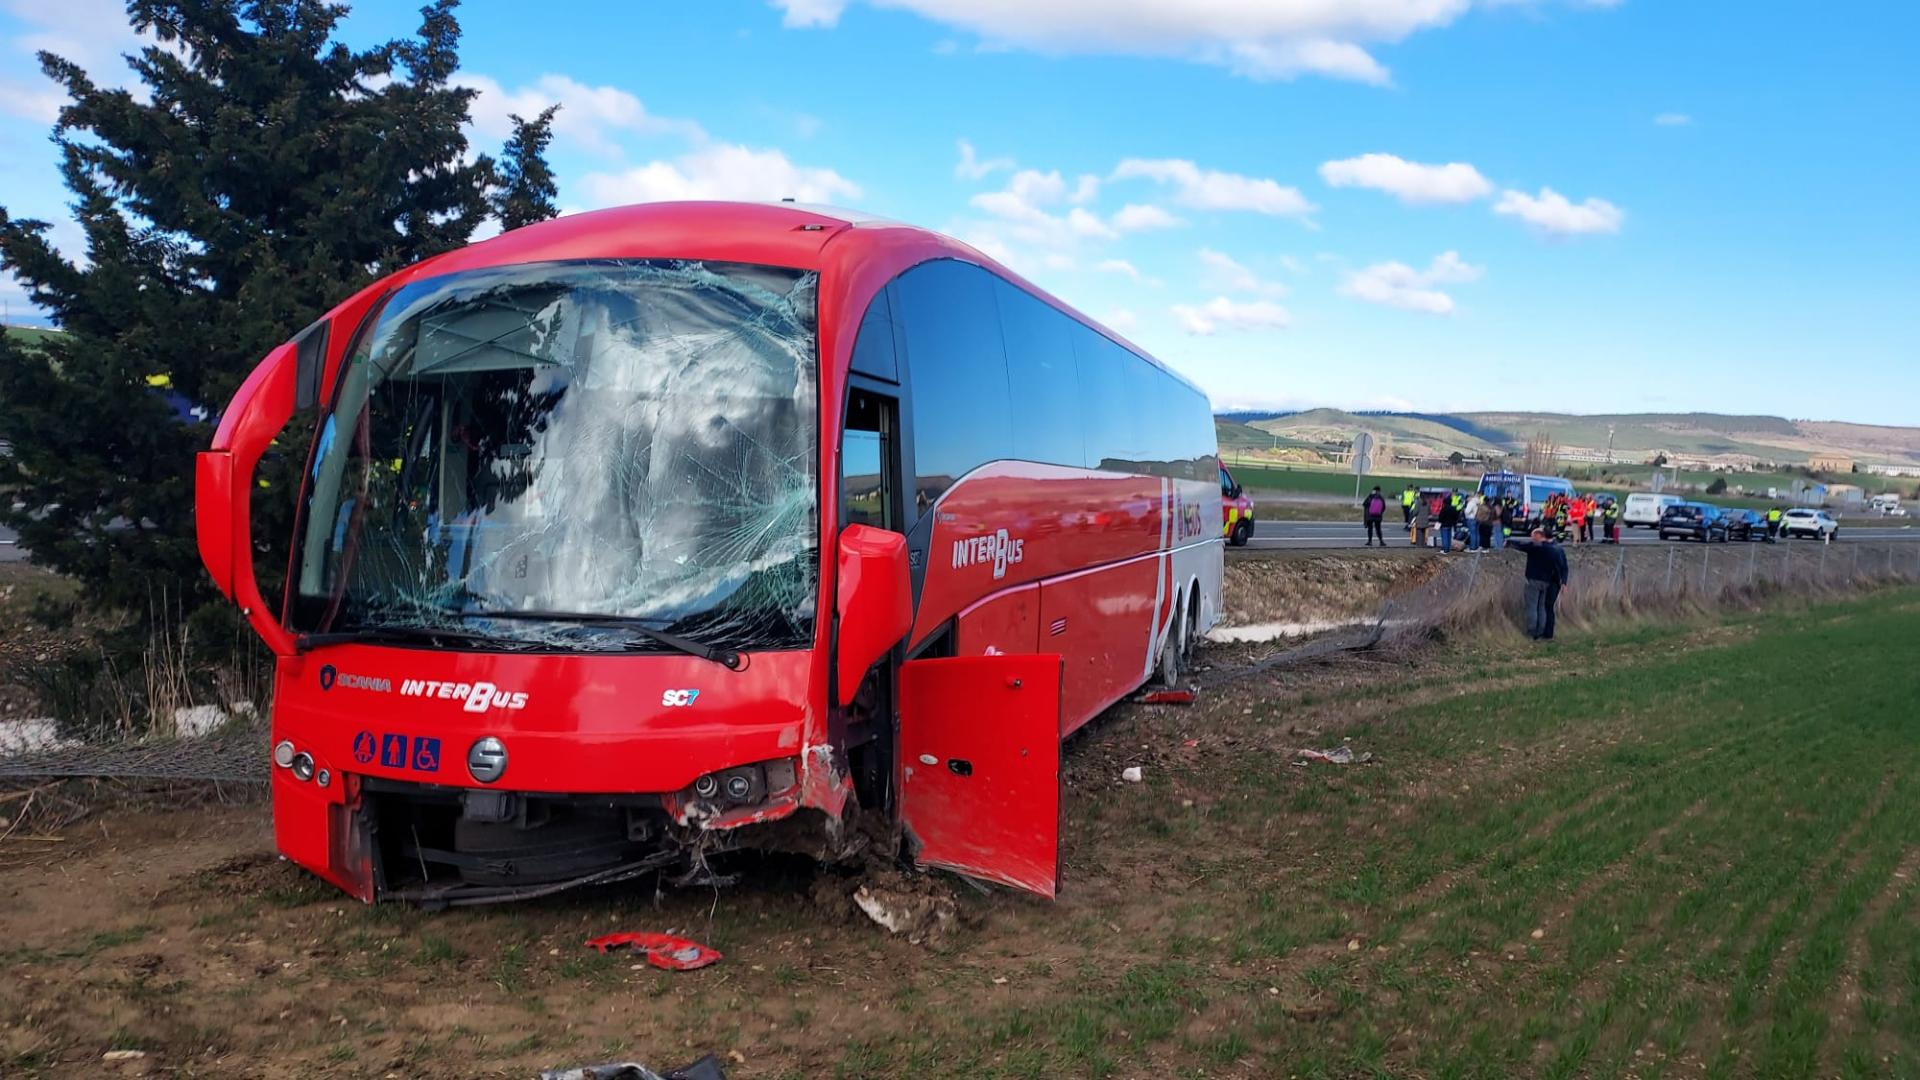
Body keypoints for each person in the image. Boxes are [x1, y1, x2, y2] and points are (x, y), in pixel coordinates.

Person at [1506, 526, 1570, 640]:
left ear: (1540, 536)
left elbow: (1521, 546)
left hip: (1535, 580)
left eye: (1533, 536)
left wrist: (1508, 542)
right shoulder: (1555, 550)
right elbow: (1563, 567)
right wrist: (1563, 581)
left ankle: (1532, 632)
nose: (1531, 539)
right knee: (1543, 608)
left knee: (1532, 606)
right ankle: (1542, 632)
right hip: (1546, 582)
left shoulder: (1537, 547)